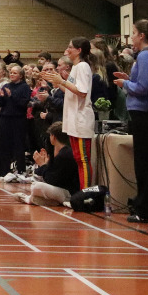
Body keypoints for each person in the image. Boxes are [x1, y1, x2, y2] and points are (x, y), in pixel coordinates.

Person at [115, 20, 148, 224]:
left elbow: (142, 88)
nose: (131, 37)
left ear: (142, 35)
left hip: (145, 113)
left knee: (145, 163)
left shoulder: (143, 56)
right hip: (142, 113)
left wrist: (125, 83)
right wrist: (128, 80)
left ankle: (147, 207)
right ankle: (145, 204)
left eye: (133, 33)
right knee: (143, 162)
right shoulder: (142, 57)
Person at [46, 38, 96, 189]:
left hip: (81, 119)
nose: (67, 50)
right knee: (78, 158)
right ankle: (79, 191)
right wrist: (57, 82)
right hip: (74, 119)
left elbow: (81, 92)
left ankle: (85, 193)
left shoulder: (82, 66)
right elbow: (71, 92)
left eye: (70, 47)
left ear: (79, 50)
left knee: (83, 160)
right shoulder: (75, 67)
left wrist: (61, 81)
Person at [16, 121, 79, 207]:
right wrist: (46, 165)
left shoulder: (64, 154)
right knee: (36, 185)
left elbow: (52, 180)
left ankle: (29, 199)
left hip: (68, 192)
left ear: (53, 137)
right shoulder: (61, 152)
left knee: (36, 187)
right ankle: (46, 201)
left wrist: (43, 165)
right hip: (62, 189)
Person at [0, 64, 31, 182]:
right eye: (11, 72)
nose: (12, 74)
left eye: (15, 73)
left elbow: (23, 103)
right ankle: (4, 170)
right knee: (3, 144)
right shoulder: (6, 85)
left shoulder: (24, 87)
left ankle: (20, 170)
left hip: (18, 119)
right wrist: (1, 97)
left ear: (21, 75)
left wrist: (11, 96)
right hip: (5, 118)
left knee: (18, 145)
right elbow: (0, 103)